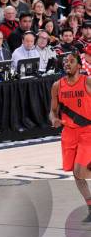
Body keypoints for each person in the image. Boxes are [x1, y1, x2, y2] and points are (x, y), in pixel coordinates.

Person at [50, 53, 91, 222]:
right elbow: (53, 110)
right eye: (65, 61)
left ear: (79, 66)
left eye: (71, 61)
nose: (67, 64)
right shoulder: (57, 85)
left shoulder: (87, 82)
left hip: (87, 131)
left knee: (79, 171)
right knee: (76, 174)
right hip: (68, 133)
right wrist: (54, 119)